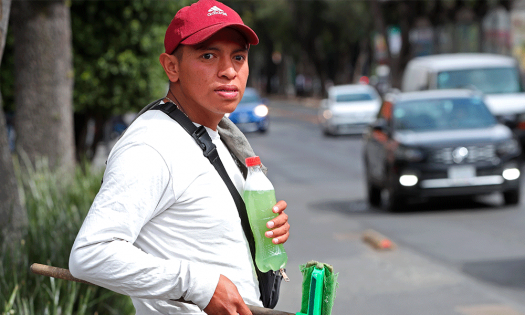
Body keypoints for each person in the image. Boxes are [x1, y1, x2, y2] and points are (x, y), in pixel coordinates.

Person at [69, 1, 290, 314]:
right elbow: (91, 254)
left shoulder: (218, 135)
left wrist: (260, 231)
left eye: (238, 57)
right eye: (208, 55)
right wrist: (200, 285)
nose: (229, 71)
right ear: (171, 66)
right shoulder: (152, 145)